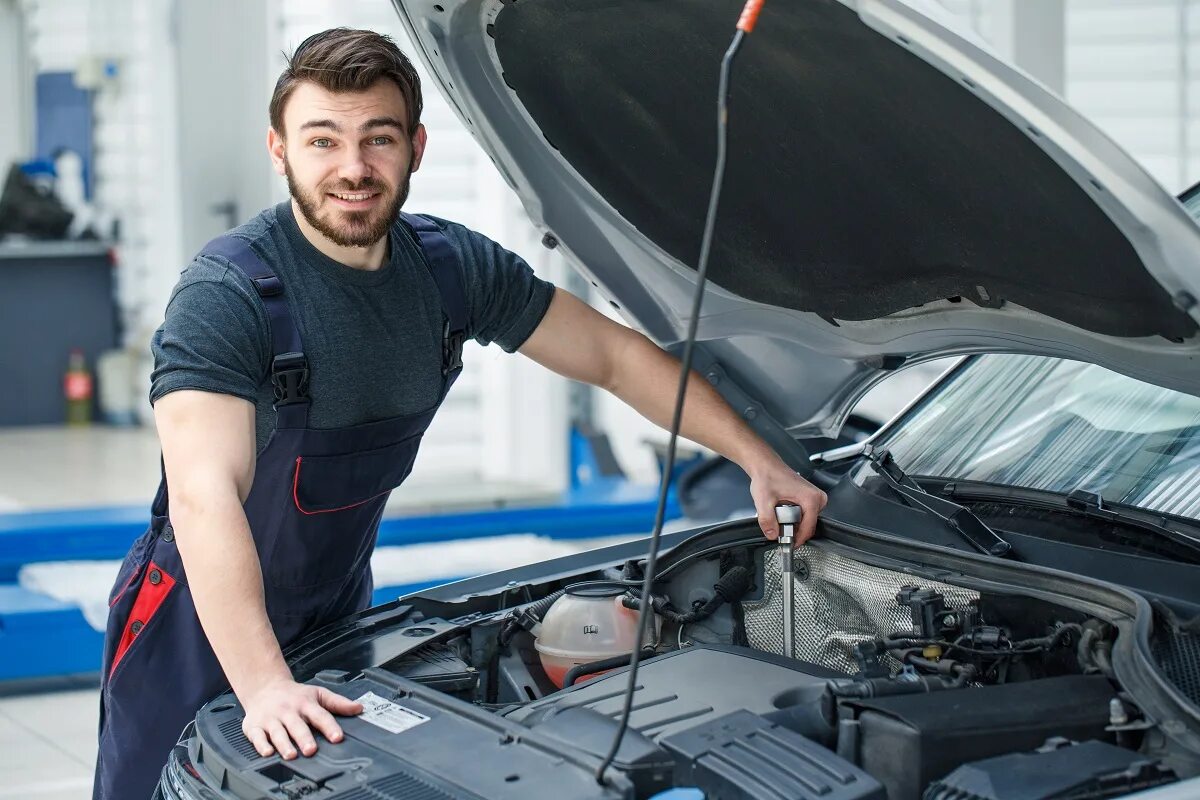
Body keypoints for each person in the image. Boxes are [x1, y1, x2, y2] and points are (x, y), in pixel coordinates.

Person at [92, 27, 826, 800]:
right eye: (322, 140)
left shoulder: (450, 271)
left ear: (416, 146)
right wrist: (266, 684)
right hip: (190, 624)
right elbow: (204, 499)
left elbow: (615, 358)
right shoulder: (227, 295)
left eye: (378, 139)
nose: (352, 168)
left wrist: (757, 456)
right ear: (280, 150)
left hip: (336, 610)